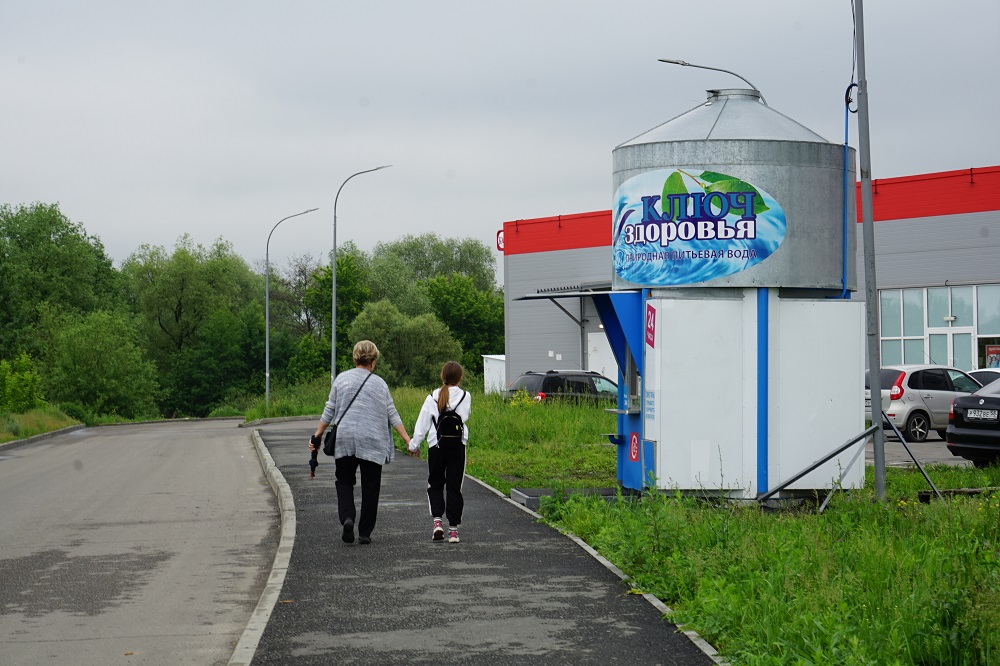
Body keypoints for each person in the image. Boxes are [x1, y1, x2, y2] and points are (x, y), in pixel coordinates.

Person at [308, 340, 411, 545]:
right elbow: (392, 413)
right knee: (371, 486)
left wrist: (317, 435)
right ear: (374, 360)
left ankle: (347, 517)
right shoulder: (380, 384)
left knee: (344, 480)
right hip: (372, 440)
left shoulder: (341, 380)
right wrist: (407, 439)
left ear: (355, 358)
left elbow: (329, 410)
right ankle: (365, 533)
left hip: (345, 438)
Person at [408, 361, 471, 543]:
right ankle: (453, 531)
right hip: (457, 446)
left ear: (442, 376)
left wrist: (413, 445)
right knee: (454, 486)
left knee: (435, 483)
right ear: (460, 377)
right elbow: (465, 416)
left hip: (436, 445)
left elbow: (422, 425)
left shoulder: (432, 397)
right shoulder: (466, 396)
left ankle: (437, 522)